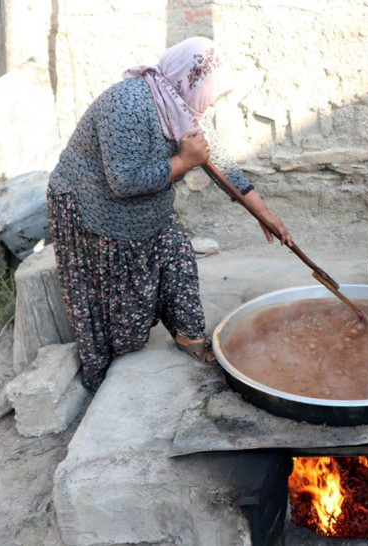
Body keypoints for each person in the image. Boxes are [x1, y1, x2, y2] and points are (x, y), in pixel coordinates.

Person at [47, 37, 292, 392]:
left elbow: (218, 162)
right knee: (109, 293)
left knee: (176, 255)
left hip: (148, 204)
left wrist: (264, 214)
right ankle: (105, 372)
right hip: (92, 205)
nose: (216, 99)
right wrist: (184, 161)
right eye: (213, 90)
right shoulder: (127, 104)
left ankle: (189, 335)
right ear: (187, 80)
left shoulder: (182, 107)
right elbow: (124, 182)